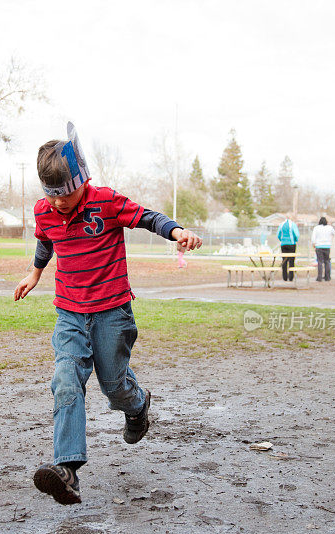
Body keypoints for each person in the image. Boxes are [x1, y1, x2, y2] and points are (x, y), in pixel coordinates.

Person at [14, 122, 202, 506]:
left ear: (82, 179)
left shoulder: (106, 201)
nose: (59, 203)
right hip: (69, 312)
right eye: (52, 196)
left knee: (113, 385)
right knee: (66, 378)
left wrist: (177, 231)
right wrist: (35, 273)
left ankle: (137, 406)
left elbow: (149, 217)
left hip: (112, 311)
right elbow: (45, 239)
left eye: (66, 194)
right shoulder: (45, 211)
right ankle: (67, 469)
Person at [311, 216, 335, 281]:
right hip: (327, 246)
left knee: (319, 262)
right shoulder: (330, 227)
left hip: (319, 246)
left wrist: (314, 244)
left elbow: (313, 238)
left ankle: (319, 277)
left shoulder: (316, 228)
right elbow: (334, 233)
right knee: (327, 261)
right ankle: (327, 277)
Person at [276, 217, 300, 282]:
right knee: (291, 261)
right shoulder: (293, 224)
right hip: (292, 244)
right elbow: (296, 234)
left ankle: (285, 277)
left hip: (283, 244)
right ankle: (291, 277)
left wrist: (282, 240)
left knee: (284, 261)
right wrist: (296, 240)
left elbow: (278, 235)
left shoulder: (281, 224)